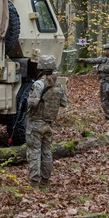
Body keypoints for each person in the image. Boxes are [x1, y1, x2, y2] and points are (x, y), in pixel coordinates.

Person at [25, 55, 67, 185]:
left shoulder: (38, 84)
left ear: (41, 67)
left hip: (36, 122)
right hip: (49, 123)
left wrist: (26, 100)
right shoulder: (59, 84)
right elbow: (64, 103)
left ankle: (34, 182)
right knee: (47, 152)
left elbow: (32, 103)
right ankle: (45, 181)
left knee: (34, 152)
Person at [79, 42, 109, 121]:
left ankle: (108, 116)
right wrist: (84, 60)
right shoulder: (104, 59)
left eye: (107, 49)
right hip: (103, 81)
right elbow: (94, 60)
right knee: (103, 100)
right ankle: (108, 115)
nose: (105, 51)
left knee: (107, 100)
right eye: (105, 49)